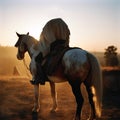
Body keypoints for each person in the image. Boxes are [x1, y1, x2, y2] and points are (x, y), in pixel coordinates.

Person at [30, 18, 70, 85]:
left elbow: (45, 42)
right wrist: (66, 45)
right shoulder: (64, 25)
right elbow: (68, 35)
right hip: (64, 45)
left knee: (38, 59)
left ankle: (40, 78)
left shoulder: (47, 28)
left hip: (54, 46)